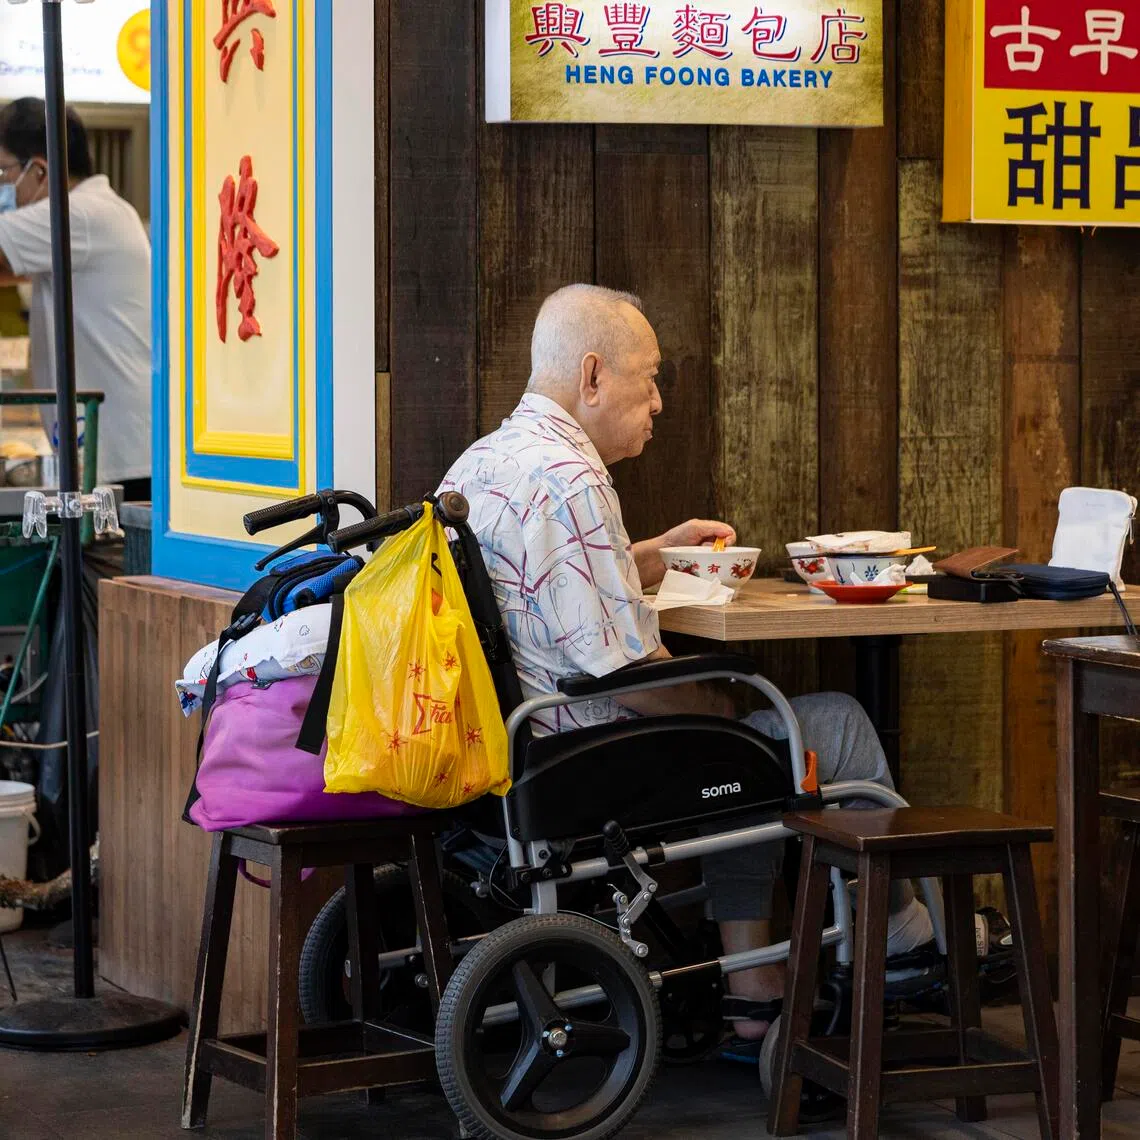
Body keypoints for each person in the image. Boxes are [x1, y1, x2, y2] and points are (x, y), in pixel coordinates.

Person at [438, 284, 933, 1046]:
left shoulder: (485, 462)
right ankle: (903, 941)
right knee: (819, 724)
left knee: (747, 730)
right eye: (652, 374)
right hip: (589, 759)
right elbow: (624, 678)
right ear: (595, 376)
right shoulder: (573, 481)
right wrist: (721, 707)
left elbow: (544, 589)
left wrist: (644, 552)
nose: (660, 400)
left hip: (511, 748)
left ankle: (752, 984)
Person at [0, 97, 151, 500]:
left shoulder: (77, 214)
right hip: (117, 458)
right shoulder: (95, 213)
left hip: (123, 465)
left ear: (39, 170)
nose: (2, 184)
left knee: (113, 564)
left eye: (3, 171)